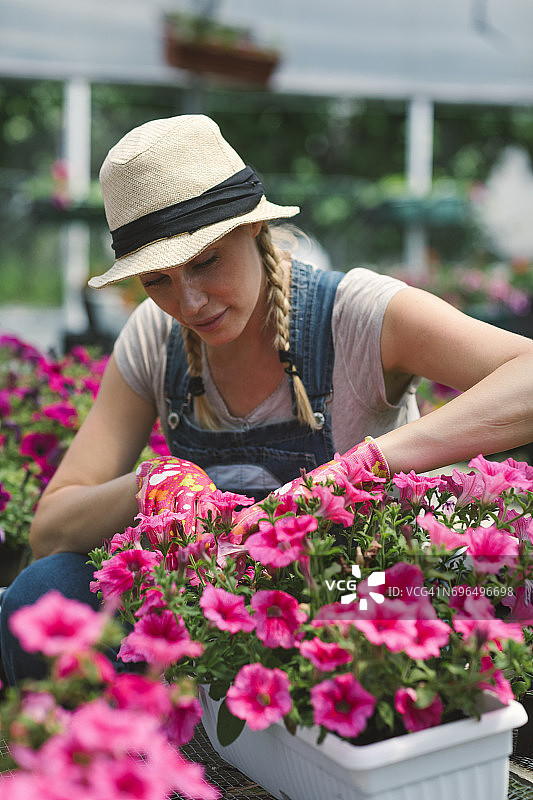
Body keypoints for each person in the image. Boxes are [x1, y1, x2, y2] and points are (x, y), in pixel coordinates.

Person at [2, 114, 533, 685]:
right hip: (215, 614)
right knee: (42, 591)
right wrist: (152, 483)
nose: (190, 302)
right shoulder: (154, 340)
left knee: (470, 584)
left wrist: (362, 466)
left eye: (205, 262)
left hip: (348, 590)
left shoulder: (356, 313)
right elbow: (50, 530)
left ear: (254, 228)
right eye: (157, 280)